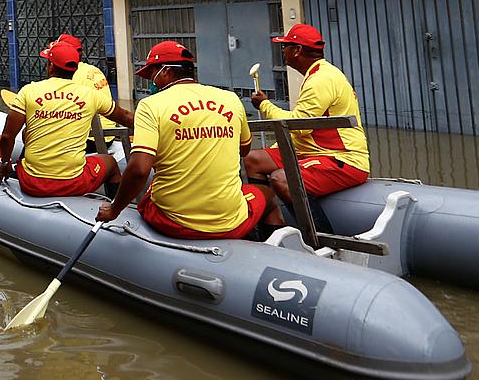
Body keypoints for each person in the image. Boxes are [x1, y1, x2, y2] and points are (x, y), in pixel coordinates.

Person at [96, 42, 269, 239]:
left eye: (152, 75)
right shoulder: (230, 99)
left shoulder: (151, 106)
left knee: (150, 192)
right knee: (267, 195)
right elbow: (244, 149)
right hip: (231, 220)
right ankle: (264, 243)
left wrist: (114, 209)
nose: (152, 82)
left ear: (166, 71)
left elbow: (139, 170)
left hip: (173, 221)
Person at [245, 24, 370, 213]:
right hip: (312, 150)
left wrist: (264, 104)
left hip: (341, 158)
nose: (282, 50)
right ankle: (270, 221)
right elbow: (305, 127)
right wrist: (277, 149)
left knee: (282, 178)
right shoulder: (317, 74)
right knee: (252, 160)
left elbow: (298, 126)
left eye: (285, 45)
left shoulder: (321, 79)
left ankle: (317, 239)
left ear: (298, 50)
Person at [0, 41, 135, 197]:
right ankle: (114, 211)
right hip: (74, 182)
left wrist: (4, 162)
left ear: (50, 66)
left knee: (26, 136)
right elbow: (125, 117)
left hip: (32, 182)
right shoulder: (90, 95)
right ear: (75, 69)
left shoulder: (28, 91)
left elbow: (7, 137)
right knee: (110, 163)